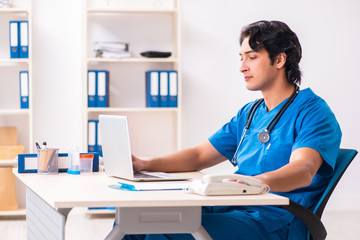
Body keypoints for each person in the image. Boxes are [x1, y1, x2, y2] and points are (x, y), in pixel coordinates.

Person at [124, 20, 342, 240]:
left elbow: (303, 170)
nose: (242, 67)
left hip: (274, 218)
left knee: (165, 228)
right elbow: (199, 155)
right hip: (234, 205)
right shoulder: (250, 113)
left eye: (252, 57)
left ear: (279, 59)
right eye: (241, 58)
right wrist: (145, 164)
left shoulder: (313, 112)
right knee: (135, 217)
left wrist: (253, 183)